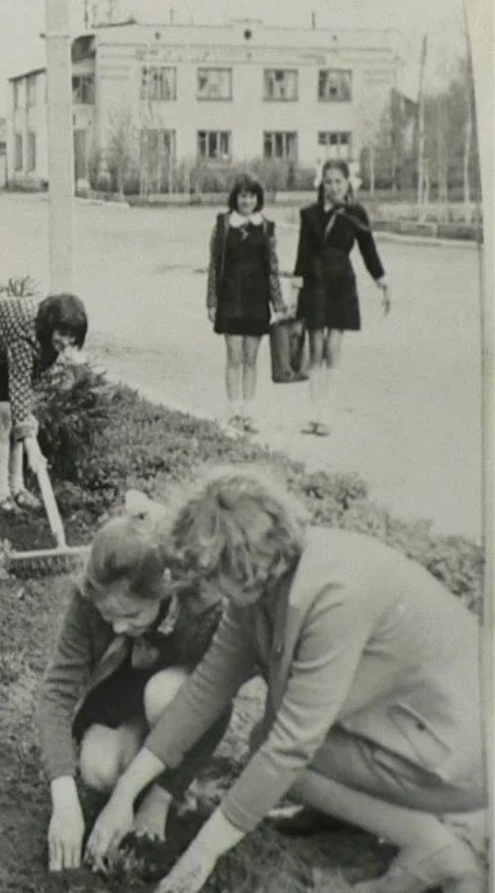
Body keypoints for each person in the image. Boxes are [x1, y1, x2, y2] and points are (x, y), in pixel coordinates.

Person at [86, 467, 486, 893]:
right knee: (265, 740)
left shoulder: (335, 595)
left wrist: (200, 856)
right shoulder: (259, 588)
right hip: (404, 727)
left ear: (240, 564)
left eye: (213, 573)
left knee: (280, 756)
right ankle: (341, 814)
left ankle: (435, 846)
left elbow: (290, 746)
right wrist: (124, 794)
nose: (206, 584)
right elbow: (203, 693)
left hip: (458, 753)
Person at [36, 493, 229, 873]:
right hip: (121, 704)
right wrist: (65, 799)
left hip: (173, 700)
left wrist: (159, 799)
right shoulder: (90, 595)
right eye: (109, 617)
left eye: (131, 615)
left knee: (164, 695)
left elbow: (215, 709)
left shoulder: (205, 610)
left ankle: (167, 782)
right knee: (98, 771)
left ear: (165, 588)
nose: (119, 627)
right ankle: (138, 758)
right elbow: (56, 692)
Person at [0, 293, 87, 511]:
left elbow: (25, 386)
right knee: (4, 414)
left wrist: (26, 422)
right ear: (50, 325)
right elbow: (19, 384)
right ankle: (0, 494)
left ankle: (17, 488)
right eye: (62, 334)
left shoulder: (47, 339)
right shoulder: (25, 337)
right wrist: (31, 444)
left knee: (19, 415)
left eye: (72, 337)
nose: (66, 342)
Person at [292, 159, 387, 437]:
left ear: (348, 183)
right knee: (315, 348)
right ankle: (313, 414)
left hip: (341, 284)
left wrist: (383, 282)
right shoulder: (309, 214)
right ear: (321, 184)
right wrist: (293, 292)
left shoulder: (356, 213)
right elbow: (302, 255)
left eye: (338, 181)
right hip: (314, 284)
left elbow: (368, 250)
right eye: (328, 181)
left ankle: (326, 416)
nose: (333, 187)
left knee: (333, 348)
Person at [207, 175, 287, 433]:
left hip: (256, 300)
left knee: (251, 359)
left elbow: (272, 268)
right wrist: (212, 302)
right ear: (235, 197)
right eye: (242, 195)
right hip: (230, 299)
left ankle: (249, 412)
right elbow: (214, 266)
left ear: (258, 199)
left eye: (252, 196)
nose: (247, 201)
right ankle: (234, 412)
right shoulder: (222, 225)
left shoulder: (266, 227)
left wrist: (279, 304)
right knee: (234, 356)